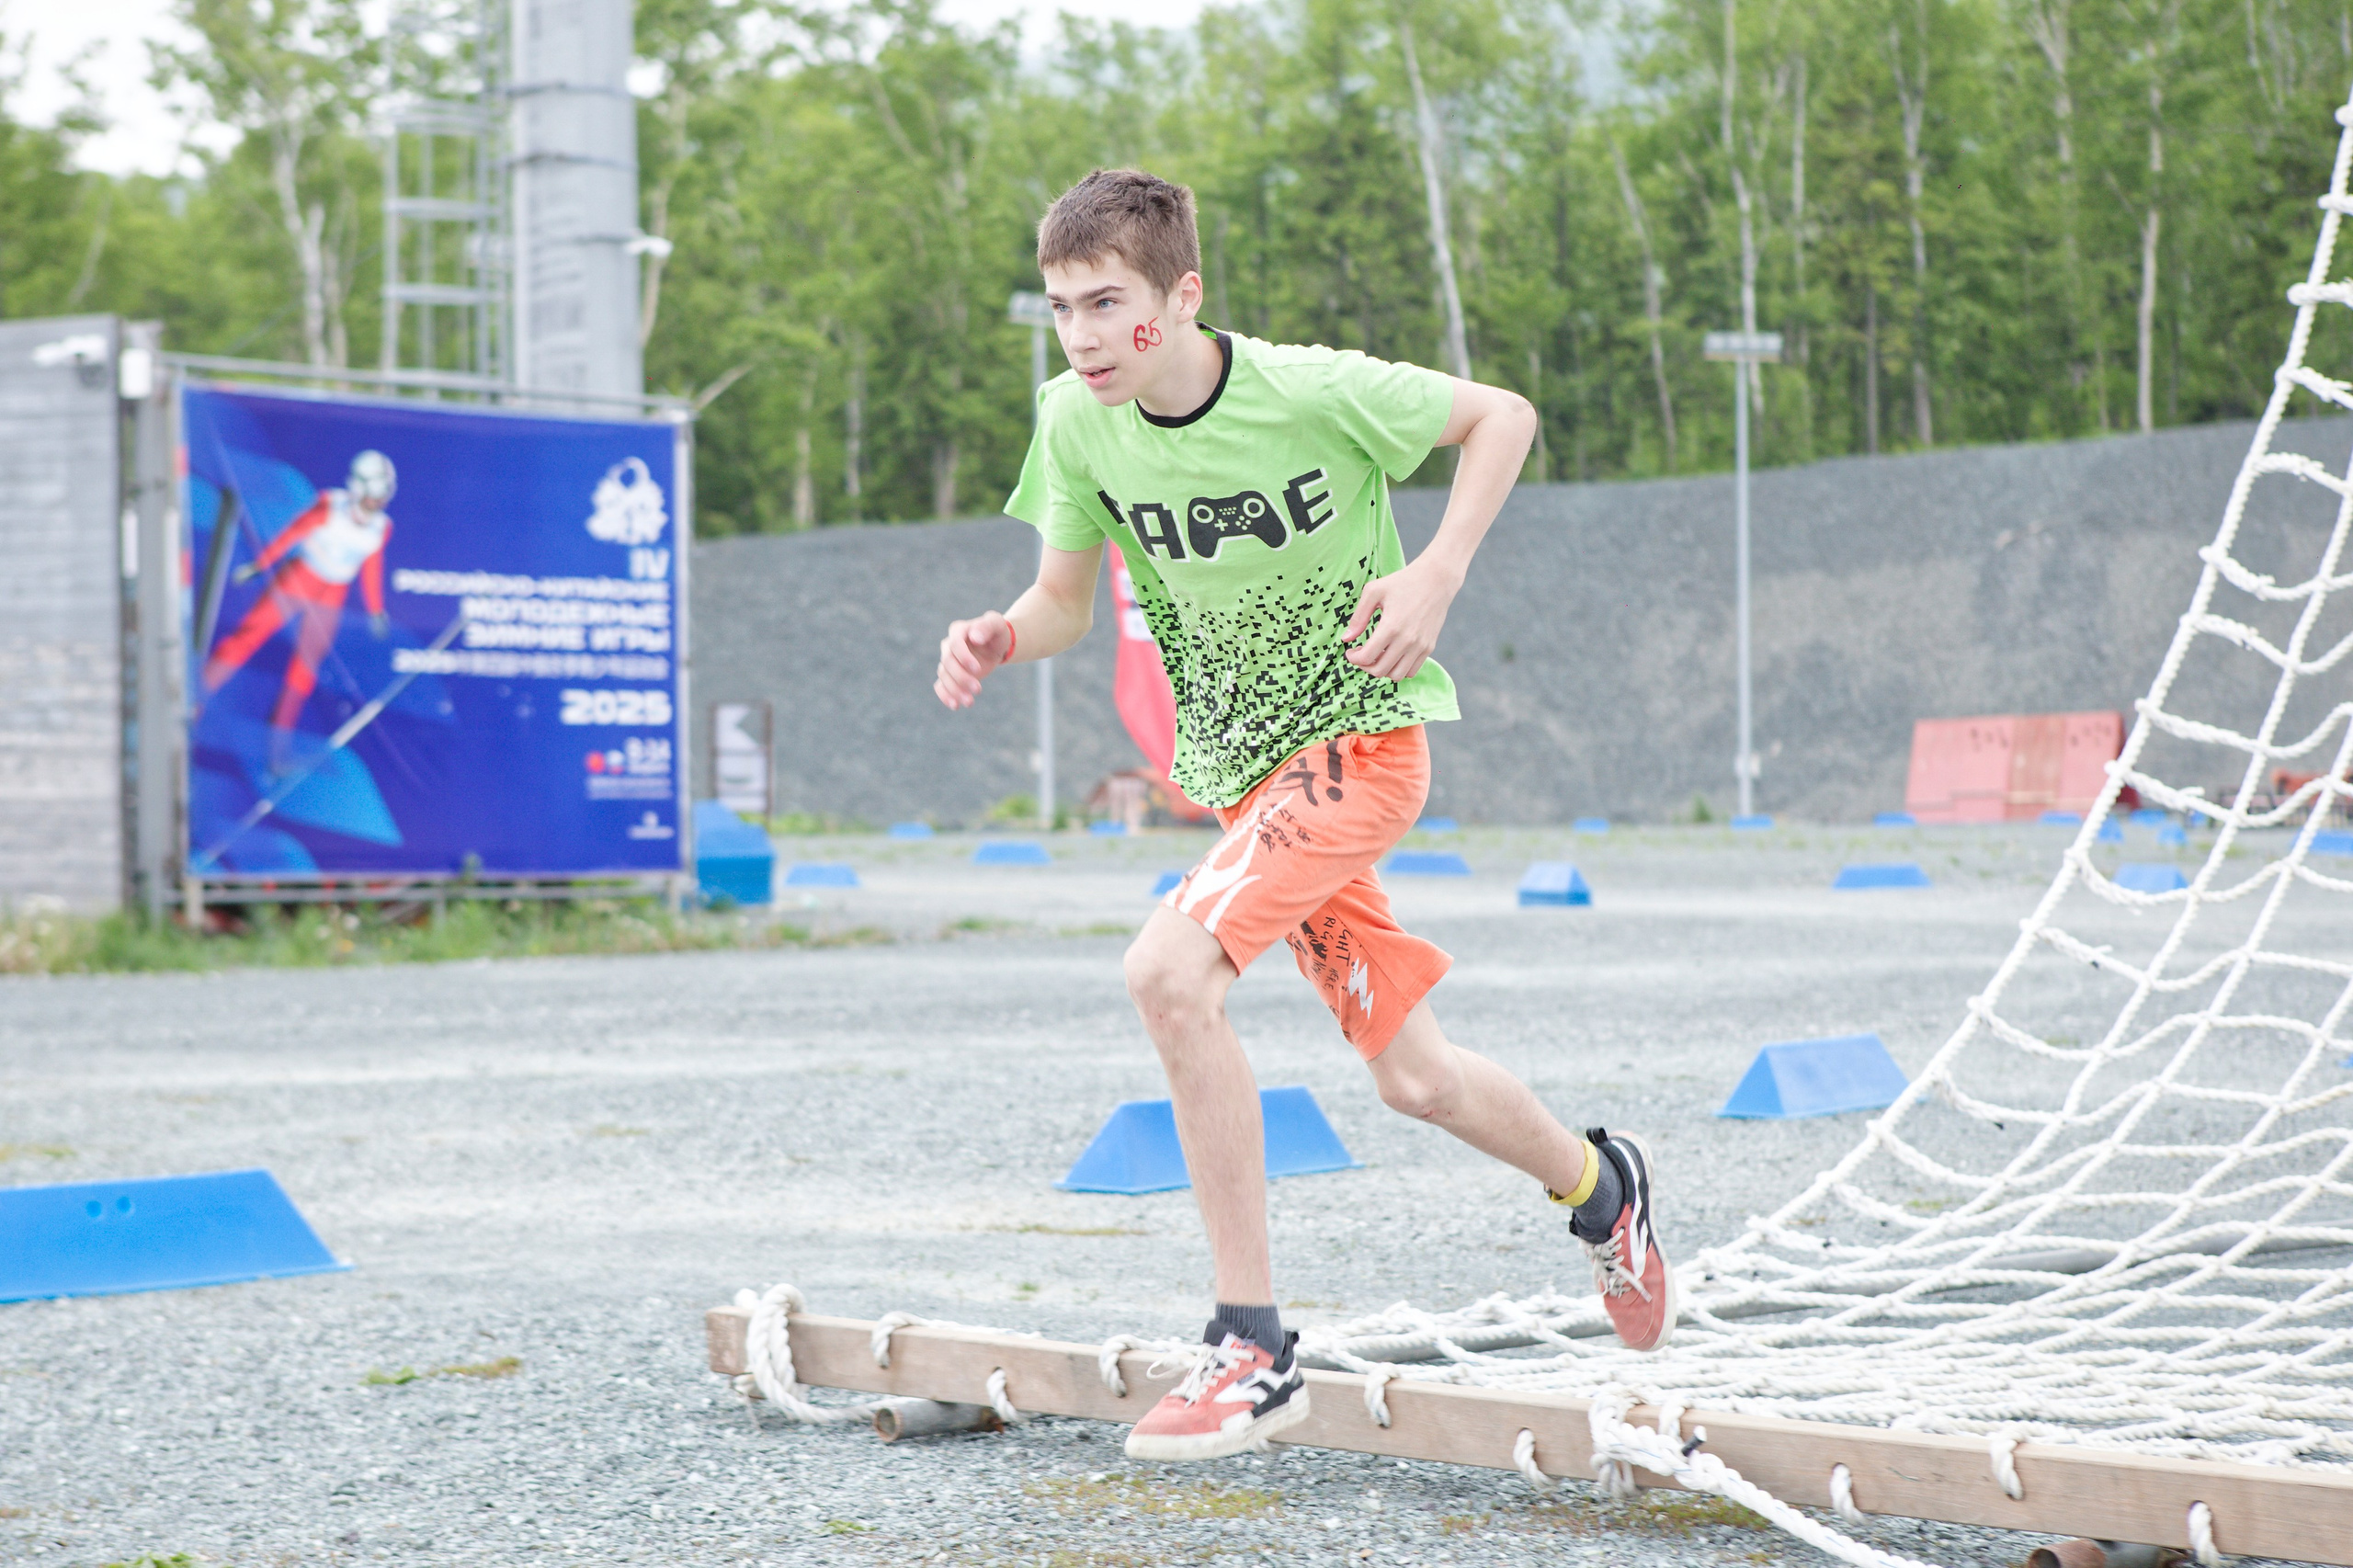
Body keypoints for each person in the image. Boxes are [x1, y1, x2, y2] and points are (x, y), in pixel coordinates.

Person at [931, 169, 1672, 1463]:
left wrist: (1436, 571)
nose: (1086, 336)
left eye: (1111, 304)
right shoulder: (1075, 421)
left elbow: (1505, 415)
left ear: (1184, 294)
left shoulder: (1309, 389)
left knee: (1169, 972)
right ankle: (1605, 1190)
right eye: (1060, 309)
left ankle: (1253, 1346)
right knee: (1416, 1076)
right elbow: (1061, 600)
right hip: (1251, 784)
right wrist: (1001, 634)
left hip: (1359, 749)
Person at [201, 449, 396, 770]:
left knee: (305, 669)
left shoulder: (381, 527)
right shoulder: (329, 508)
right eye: (372, 497)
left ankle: (277, 751)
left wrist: (376, 610)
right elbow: (293, 534)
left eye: (382, 498)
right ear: (358, 488)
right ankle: (196, 701)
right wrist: (260, 564)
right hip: (300, 578)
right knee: (249, 638)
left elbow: (372, 567)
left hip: (332, 592)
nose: (375, 505)